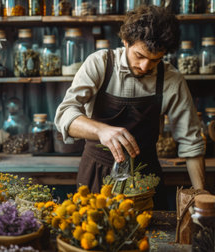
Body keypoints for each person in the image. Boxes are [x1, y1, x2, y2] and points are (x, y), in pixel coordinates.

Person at [54, 5, 205, 210]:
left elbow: (191, 143)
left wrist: (202, 196)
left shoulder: (172, 79)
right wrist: (101, 130)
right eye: (140, 55)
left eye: (155, 59)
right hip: (97, 173)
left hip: (146, 177)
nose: (145, 66)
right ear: (125, 42)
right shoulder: (100, 64)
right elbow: (64, 115)